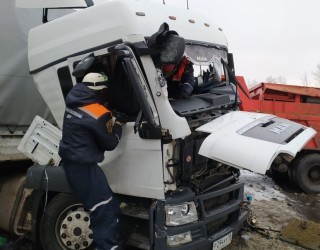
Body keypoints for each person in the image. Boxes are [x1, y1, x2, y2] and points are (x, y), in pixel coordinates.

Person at [59, 72, 127, 250]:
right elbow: (111, 143)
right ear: (99, 92)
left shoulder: (72, 102)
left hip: (72, 164)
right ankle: (107, 247)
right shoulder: (99, 113)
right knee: (104, 208)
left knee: (107, 203)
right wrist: (118, 125)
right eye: (104, 92)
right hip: (84, 168)